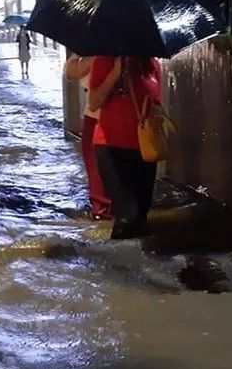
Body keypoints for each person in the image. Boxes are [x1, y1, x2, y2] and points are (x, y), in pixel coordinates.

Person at [88, 56, 161, 239]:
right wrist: (115, 74)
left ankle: (136, 263)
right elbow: (94, 102)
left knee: (141, 214)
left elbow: (157, 103)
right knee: (129, 214)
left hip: (144, 148)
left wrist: (152, 111)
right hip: (110, 148)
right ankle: (117, 263)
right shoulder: (104, 60)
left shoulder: (151, 65)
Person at [64, 54, 112, 220]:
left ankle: (105, 215)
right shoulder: (92, 43)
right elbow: (69, 71)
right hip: (97, 116)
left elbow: (70, 71)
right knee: (99, 175)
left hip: (112, 116)